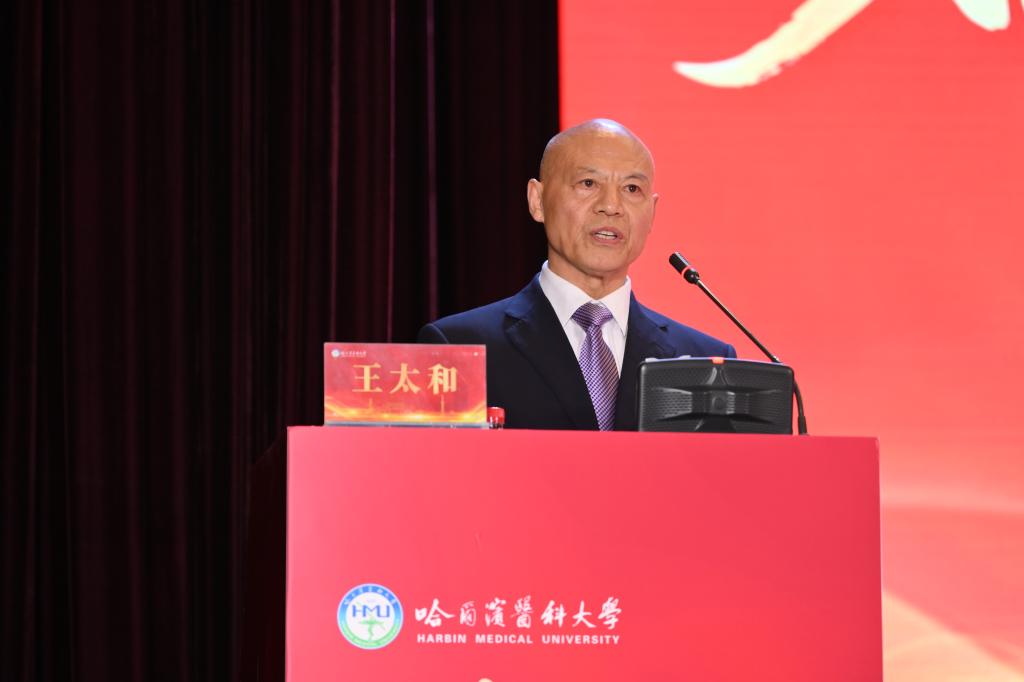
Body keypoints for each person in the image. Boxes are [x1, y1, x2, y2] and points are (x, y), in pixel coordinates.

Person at [418, 119, 735, 430]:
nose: (611, 206)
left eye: (631, 188)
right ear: (537, 201)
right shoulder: (460, 348)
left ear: (652, 213)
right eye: (588, 184)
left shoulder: (707, 361)